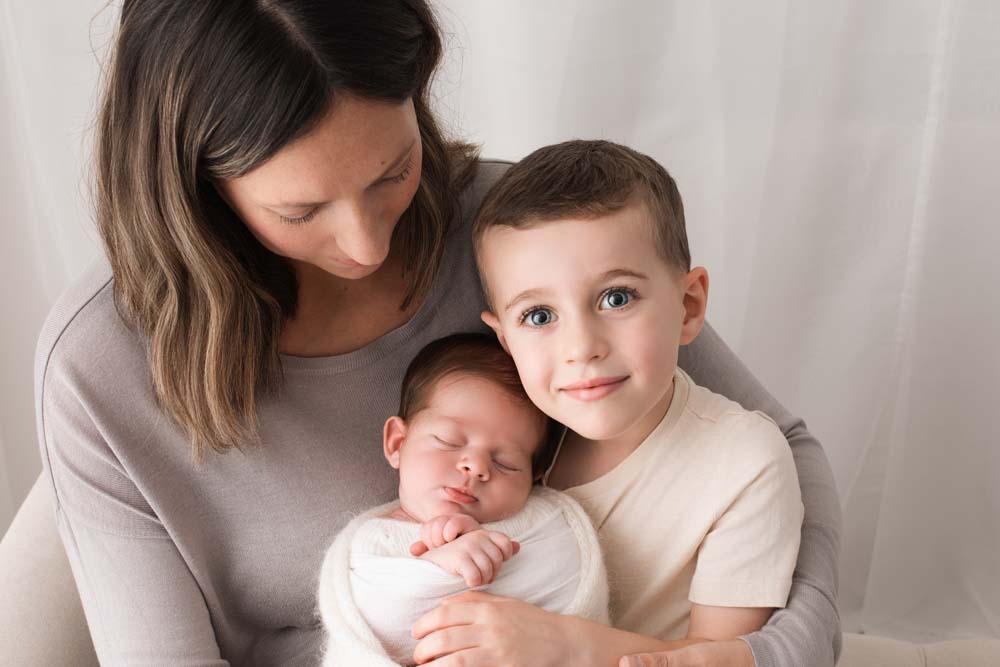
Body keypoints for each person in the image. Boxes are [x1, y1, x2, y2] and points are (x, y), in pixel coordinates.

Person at [34, 1, 840, 665]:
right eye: (300, 211)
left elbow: (781, 449)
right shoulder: (100, 367)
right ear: (194, 188)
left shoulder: (518, 237)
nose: (366, 244)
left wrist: (767, 656)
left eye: (391, 171)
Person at [470, 139, 803, 665]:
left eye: (616, 298)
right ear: (506, 340)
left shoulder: (742, 460)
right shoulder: (513, 443)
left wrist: (566, 647)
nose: (581, 349)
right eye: (538, 316)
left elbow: (724, 656)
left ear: (689, 305)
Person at [317, 333, 609, 666]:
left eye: (505, 462)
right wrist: (440, 566)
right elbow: (378, 618)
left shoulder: (545, 521)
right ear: (397, 443)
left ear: (535, 477)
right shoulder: (371, 540)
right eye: (449, 441)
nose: (476, 466)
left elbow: (563, 576)